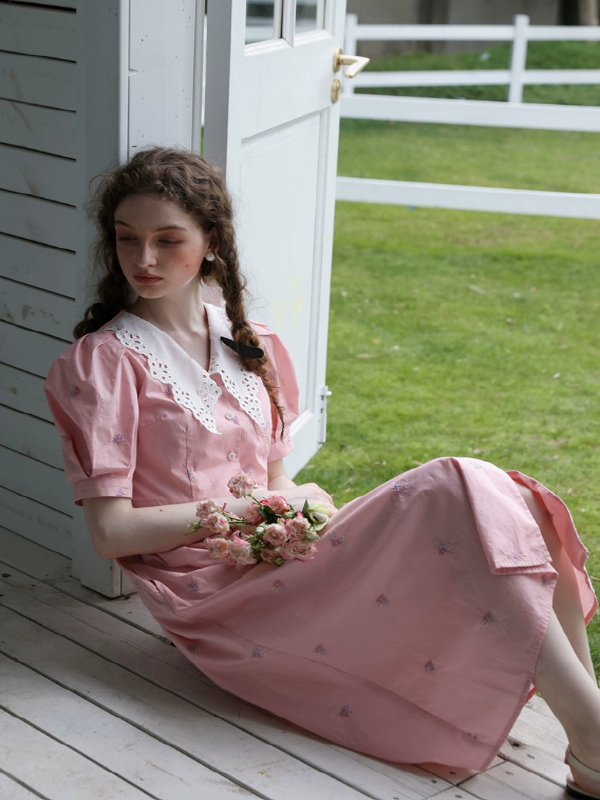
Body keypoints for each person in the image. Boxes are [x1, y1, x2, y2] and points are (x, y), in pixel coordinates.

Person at [44, 146, 599, 798]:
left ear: (212, 244)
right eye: (127, 239)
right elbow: (111, 535)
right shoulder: (101, 364)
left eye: (168, 241)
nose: (143, 260)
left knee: (506, 494)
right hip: (213, 596)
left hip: (282, 551)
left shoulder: (253, 344)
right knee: (457, 483)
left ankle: (588, 732)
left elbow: (276, 482)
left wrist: (291, 513)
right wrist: (243, 513)